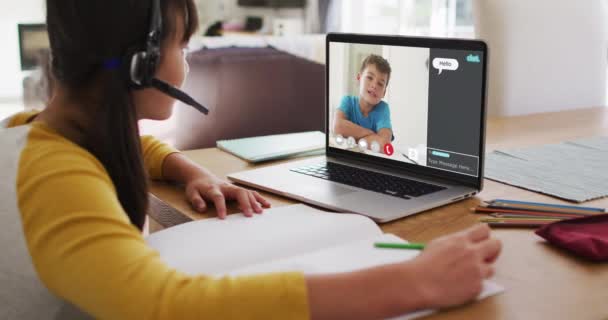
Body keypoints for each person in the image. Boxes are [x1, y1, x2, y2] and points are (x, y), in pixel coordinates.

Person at [0, 1, 501, 319]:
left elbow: (126, 145)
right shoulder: (57, 179)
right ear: (141, 63)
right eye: (183, 44)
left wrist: (184, 167)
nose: (188, 60)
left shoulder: (35, 132)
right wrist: (413, 282)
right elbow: (163, 307)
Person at [334, 54, 394, 149]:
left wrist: (352, 137)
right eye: (370, 78)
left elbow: (384, 144)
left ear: (384, 93)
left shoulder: (383, 109)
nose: (374, 85)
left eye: (380, 83)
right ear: (359, 78)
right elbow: (338, 127)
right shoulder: (347, 101)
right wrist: (371, 134)